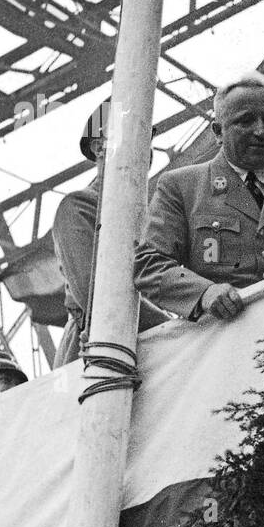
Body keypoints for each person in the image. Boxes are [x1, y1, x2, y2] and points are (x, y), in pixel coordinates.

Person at [135, 72, 264, 321]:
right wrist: (204, 293)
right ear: (218, 132)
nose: (261, 131)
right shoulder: (181, 187)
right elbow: (149, 264)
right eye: (246, 121)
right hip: (224, 339)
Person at [53, 109, 171, 365]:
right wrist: (176, 328)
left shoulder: (152, 214)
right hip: (98, 356)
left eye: (148, 136)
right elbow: (97, 297)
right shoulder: (78, 207)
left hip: (152, 347)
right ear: (99, 147)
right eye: (135, 133)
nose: (146, 147)